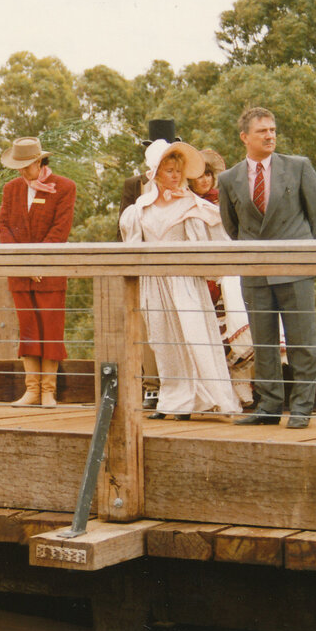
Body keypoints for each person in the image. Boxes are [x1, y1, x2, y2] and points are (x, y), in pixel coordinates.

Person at [218, 107, 316, 429]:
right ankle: (268, 408)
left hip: (295, 268)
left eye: (273, 130)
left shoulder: (298, 167)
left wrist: (298, 252)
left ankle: (302, 408)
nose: (270, 135)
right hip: (255, 271)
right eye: (263, 131)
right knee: (263, 344)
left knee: (302, 342)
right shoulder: (229, 178)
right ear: (245, 137)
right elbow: (231, 226)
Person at [119, 139, 241, 420]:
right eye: (169, 169)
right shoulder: (140, 209)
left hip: (185, 283)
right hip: (155, 284)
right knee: (164, 342)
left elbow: (207, 245)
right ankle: (174, 401)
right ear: (156, 173)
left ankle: (208, 397)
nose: (175, 175)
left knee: (194, 336)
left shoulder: (193, 206)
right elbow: (132, 246)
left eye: (178, 170)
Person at [0, 136, 76, 408]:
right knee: (28, 329)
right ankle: (31, 389)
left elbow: (60, 230)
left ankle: (48, 391)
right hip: (20, 273)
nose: (22, 171)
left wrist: (39, 263)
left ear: (41, 161)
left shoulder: (65, 187)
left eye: (27, 165)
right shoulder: (11, 189)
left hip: (50, 272)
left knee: (51, 329)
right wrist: (23, 264)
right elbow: (4, 225)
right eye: (18, 166)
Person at [118, 119, 181, 409]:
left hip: (177, 266)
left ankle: (180, 387)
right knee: (148, 328)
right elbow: (122, 227)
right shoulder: (134, 184)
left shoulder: (183, 181)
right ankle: (152, 386)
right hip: (144, 266)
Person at [189, 148, 255, 407]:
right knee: (209, 337)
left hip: (229, 272)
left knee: (236, 327)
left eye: (208, 174)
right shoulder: (187, 204)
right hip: (200, 274)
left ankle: (242, 386)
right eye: (199, 176)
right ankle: (216, 394)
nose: (205, 180)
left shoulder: (223, 199)